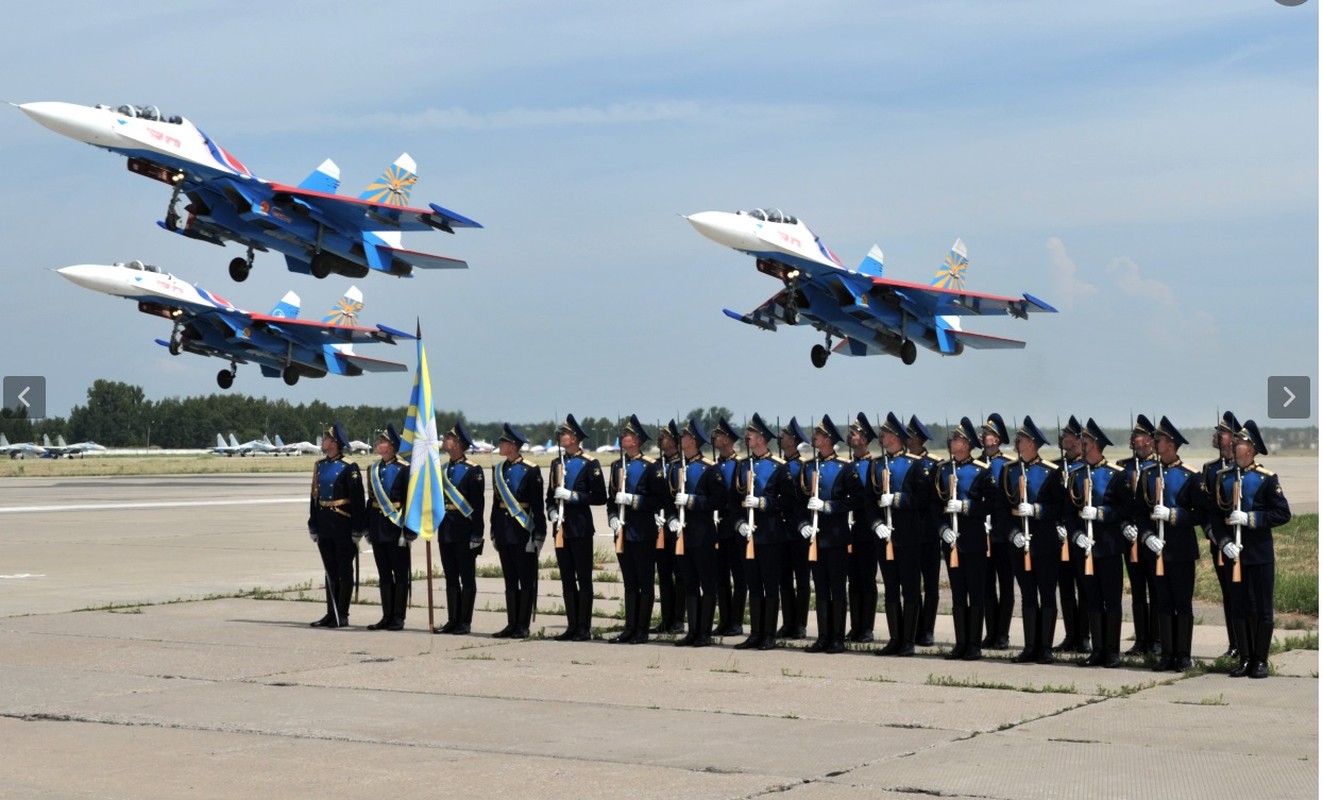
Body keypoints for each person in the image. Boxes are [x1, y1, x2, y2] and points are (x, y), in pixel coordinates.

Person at [1213, 420, 1292, 679]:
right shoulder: (1223, 478)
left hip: (1259, 553)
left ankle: (1260, 659)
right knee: (1239, 606)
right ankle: (1245, 658)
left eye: (1240, 442)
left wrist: (1251, 519)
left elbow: (1282, 514)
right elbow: (1216, 518)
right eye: (1234, 442)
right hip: (1234, 553)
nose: (1234, 445)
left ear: (1252, 448)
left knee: (1261, 607)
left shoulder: (1266, 479)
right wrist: (1224, 542)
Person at [1137, 416, 1203, 671]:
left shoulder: (1190, 476)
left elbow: (1200, 513)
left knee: (1182, 603)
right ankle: (1167, 654)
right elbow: (1139, 513)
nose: (1155, 442)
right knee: (1162, 602)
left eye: (1159, 439)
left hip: (1181, 550)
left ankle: (1183, 655)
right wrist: (1147, 536)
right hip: (1156, 550)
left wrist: (1174, 515)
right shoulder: (1148, 475)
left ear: (1172, 444)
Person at [1066, 418, 1132, 668]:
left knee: (1111, 599)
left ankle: (1112, 650)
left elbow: (1125, 509)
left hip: (1109, 546)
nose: (1079, 446)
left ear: (1094, 445)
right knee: (1092, 598)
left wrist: (1102, 514)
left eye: (1084, 442)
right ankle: (1098, 649)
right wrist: (1076, 535)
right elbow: (1069, 512)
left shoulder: (1115, 475)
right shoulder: (1076, 474)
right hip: (1086, 547)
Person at [1000, 416, 1063, 663]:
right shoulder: (1009, 471)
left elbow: (1060, 508)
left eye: (1022, 439)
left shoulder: (1050, 472)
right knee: (1027, 593)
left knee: (1047, 592)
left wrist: (1037, 511)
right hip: (1019, 541)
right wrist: (1012, 533)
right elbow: (1001, 509)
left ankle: (1045, 647)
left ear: (1033, 444)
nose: (1017, 442)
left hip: (1044, 541)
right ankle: (1030, 646)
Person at [798, 415, 864, 654]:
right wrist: (803, 524)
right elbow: (799, 502)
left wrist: (829, 507)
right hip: (815, 536)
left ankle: (837, 637)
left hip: (836, 536)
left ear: (828, 440)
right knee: (821, 588)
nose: (813, 438)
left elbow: (856, 499)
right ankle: (823, 636)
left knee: (837, 587)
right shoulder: (808, 467)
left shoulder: (845, 469)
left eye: (818, 435)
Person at [933, 417, 994, 661]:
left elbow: (991, 504)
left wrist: (966, 506)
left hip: (974, 539)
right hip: (951, 540)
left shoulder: (981, 471)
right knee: (958, 592)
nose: (952, 442)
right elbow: (934, 506)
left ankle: (974, 644)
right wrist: (942, 529)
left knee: (975, 592)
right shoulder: (942, 470)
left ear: (967, 444)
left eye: (957, 439)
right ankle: (961, 642)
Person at [548, 414, 607, 642]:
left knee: (583, 577)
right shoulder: (556, 463)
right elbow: (549, 497)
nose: (560, 437)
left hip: (580, 527)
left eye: (564, 434)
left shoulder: (590, 464)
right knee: (566, 578)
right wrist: (551, 511)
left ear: (574, 438)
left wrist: (573, 496)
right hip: (561, 528)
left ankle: (584, 626)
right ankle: (572, 624)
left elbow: (599, 497)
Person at [668, 418, 727, 647]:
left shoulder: (710, 469)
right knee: (689, 582)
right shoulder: (677, 468)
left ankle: (705, 631)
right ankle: (692, 630)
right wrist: (672, 518)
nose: (680, 440)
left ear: (692, 440)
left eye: (683, 437)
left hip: (702, 532)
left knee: (707, 582)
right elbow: (668, 500)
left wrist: (693, 501)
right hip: (682, 533)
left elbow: (718, 501)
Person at [732, 413, 788, 650]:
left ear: (762, 438)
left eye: (752, 434)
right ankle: (755, 633)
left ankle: (769, 634)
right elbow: (733, 502)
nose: (748, 436)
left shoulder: (778, 467)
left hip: (770, 535)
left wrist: (763, 503)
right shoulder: (742, 465)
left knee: (770, 585)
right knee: (753, 584)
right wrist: (739, 523)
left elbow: (787, 501)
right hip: (748, 535)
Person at [873, 412, 927, 656]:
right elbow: (866, 501)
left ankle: (908, 640)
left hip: (908, 535)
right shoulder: (876, 465)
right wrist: (876, 524)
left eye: (884, 434)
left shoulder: (914, 464)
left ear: (894, 437)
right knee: (891, 588)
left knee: (910, 588)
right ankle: (894, 638)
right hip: (885, 536)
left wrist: (897, 499)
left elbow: (923, 499)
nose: (881, 437)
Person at [490, 423, 546, 639]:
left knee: (525, 579)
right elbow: (496, 504)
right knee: (510, 580)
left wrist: (538, 534)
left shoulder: (531, 471)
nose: (500, 445)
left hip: (524, 531)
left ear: (513, 446)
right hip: (504, 532)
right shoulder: (499, 470)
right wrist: (494, 530)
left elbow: (537, 506)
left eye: (503, 442)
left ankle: (523, 624)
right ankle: (511, 623)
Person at [307, 421, 365, 629]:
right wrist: (313, 524)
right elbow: (314, 497)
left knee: (343, 569)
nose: (323, 442)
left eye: (326, 439)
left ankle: (342, 613)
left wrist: (358, 528)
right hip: (324, 524)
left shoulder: (350, 467)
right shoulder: (320, 466)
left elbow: (358, 500)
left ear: (334, 443)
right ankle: (331, 612)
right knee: (330, 570)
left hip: (343, 524)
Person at [607, 415, 658, 644]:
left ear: (636, 440)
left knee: (644, 581)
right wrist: (612, 517)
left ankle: (642, 629)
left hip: (643, 530)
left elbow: (657, 501)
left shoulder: (650, 467)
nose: (622, 438)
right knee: (629, 581)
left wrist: (633, 500)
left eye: (626, 435)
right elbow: (611, 499)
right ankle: (629, 627)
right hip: (623, 532)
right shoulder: (617, 465)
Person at [434, 421, 485, 635]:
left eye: (449, 438)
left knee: (467, 577)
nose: (445, 440)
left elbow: (478, 506)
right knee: (450, 577)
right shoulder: (442, 469)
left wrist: (477, 533)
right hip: (446, 529)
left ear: (458, 444)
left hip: (464, 530)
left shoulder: (473, 471)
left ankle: (465, 621)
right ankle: (452, 619)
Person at [1201, 411, 1241, 659]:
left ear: (1234, 438)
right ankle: (1234, 643)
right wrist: (1212, 534)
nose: (1216, 436)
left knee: (1246, 595)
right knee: (1228, 593)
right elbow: (1205, 509)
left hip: (1243, 542)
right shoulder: (1211, 469)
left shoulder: (1243, 467)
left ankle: (1250, 643)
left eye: (1222, 432)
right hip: (1220, 542)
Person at [1117, 415, 1159, 657]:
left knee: (1155, 589)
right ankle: (1141, 638)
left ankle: (1156, 639)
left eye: (1138, 435)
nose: (1133, 439)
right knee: (1137, 590)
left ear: (1150, 441)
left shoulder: (1156, 468)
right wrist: (1124, 524)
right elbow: (1119, 504)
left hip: (1152, 536)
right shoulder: (1124, 467)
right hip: (1130, 537)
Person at [365, 424, 413, 631]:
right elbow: (370, 501)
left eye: (382, 441)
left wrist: (409, 531)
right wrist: (367, 527)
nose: (378, 444)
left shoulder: (404, 470)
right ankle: (386, 615)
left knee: (400, 574)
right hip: (378, 527)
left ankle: (398, 617)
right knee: (384, 573)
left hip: (396, 527)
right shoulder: (373, 469)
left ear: (392, 446)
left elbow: (411, 501)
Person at [979, 414, 1015, 650]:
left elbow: (1008, 499)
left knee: (1006, 585)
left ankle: (1003, 633)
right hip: (982, 533)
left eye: (988, 434)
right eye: (983, 434)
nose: (984, 437)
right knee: (986, 586)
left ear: (998, 439)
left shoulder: (1007, 465)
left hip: (1002, 534)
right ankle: (990, 631)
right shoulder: (978, 463)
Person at [1054, 415, 1090, 655]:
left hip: (1081, 534)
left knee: (1084, 586)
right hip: (1060, 535)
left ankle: (1084, 635)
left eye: (1067, 435)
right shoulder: (1056, 467)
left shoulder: (1084, 467)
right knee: (1066, 587)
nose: (1062, 439)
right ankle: (1070, 634)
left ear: (1078, 440)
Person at [906, 415, 942, 647]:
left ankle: (927, 629)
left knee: (930, 584)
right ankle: (914, 626)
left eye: (909, 435)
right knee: (911, 584)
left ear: (918, 439)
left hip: (928, 532)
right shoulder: (903, 463)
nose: (906, 439)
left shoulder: (934, 464)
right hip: (908, 533)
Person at [710, 417, 748, 637]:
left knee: (739, 576)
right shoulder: (716, 465)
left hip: (735, 527)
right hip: (718, 527)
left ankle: (736, 621)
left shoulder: (740, 465)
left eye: (719, 435)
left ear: (728, 440)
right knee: (720, 577)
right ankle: (724, 619)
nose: (715, 438)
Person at [846, 413, 880, 643]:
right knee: (853, 579)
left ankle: (866, 626)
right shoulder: (848, 466)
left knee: (867, 579)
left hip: (868, 530)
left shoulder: (874, 466)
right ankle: (855, 625)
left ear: (865, 439)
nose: (851, 436)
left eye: (855, 433)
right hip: (850, 529)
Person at [776, 418, 812, 639]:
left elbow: (802, 501)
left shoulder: (801, 468)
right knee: (784, 580)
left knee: (802, 579)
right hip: (782, 530)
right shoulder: (782, 466)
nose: (781, 439)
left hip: (798, 531)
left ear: (793, 442)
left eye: (785, 437)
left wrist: (800, 523)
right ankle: (788, 622)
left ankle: (800, 623)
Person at [651, 420, 685, 635]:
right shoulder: (655, 466)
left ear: (673, 441)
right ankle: (666, 617)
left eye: (664, 437)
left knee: (680, 574)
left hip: (677, 524)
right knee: (663, 574)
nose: (660, 441)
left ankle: (679, 619)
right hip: (659, 525)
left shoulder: (682, 465)